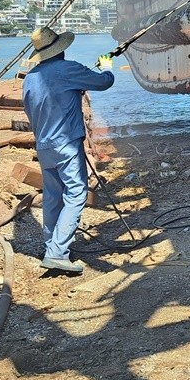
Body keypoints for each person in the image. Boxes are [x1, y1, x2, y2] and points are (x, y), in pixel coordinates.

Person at [22, 27, 115, 274]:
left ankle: (51, 245)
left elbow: (31, 113)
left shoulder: (30, 78)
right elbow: (104, 82)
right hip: (66, 144)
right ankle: (57, 253)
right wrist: (106, 65)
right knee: (75, 194)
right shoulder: (68, 68)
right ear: (59, 50)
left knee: (53, 197)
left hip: (44, 145)